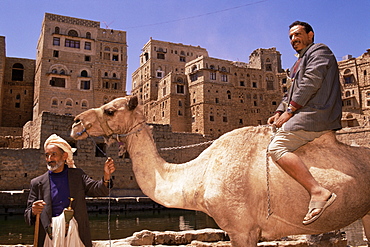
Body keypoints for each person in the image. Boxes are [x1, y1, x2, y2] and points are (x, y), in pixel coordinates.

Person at [267, 21, 342, 225]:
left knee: (277, 146)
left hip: (317, 112)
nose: (293, 39)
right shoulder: (298, 62)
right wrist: (279, 110)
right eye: (290, 37)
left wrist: (290, 111)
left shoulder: (319, 51)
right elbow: (290, 93)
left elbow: (311, 82)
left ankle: (318, 192)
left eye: (298, 34)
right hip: (305, 110)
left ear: (311, 34)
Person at [24, 134, 116, 247]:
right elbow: (27, 215)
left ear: (64, 156)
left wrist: (106, 176)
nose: (49, 159)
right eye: (47, 155)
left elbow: (97, 190)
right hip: (49, 237)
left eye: (54, 155)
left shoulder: (77, 176)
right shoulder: (37, 183)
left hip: (76, 234)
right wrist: (33, 210)